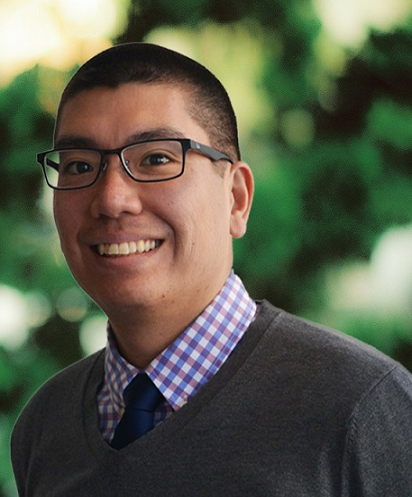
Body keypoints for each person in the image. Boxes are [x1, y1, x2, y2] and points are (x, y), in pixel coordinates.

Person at [11, 42, 412, 496]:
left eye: (156, 159)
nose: (112, 199)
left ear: (236, 199)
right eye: (80, 165)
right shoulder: (45, 426)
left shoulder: (363, 409)